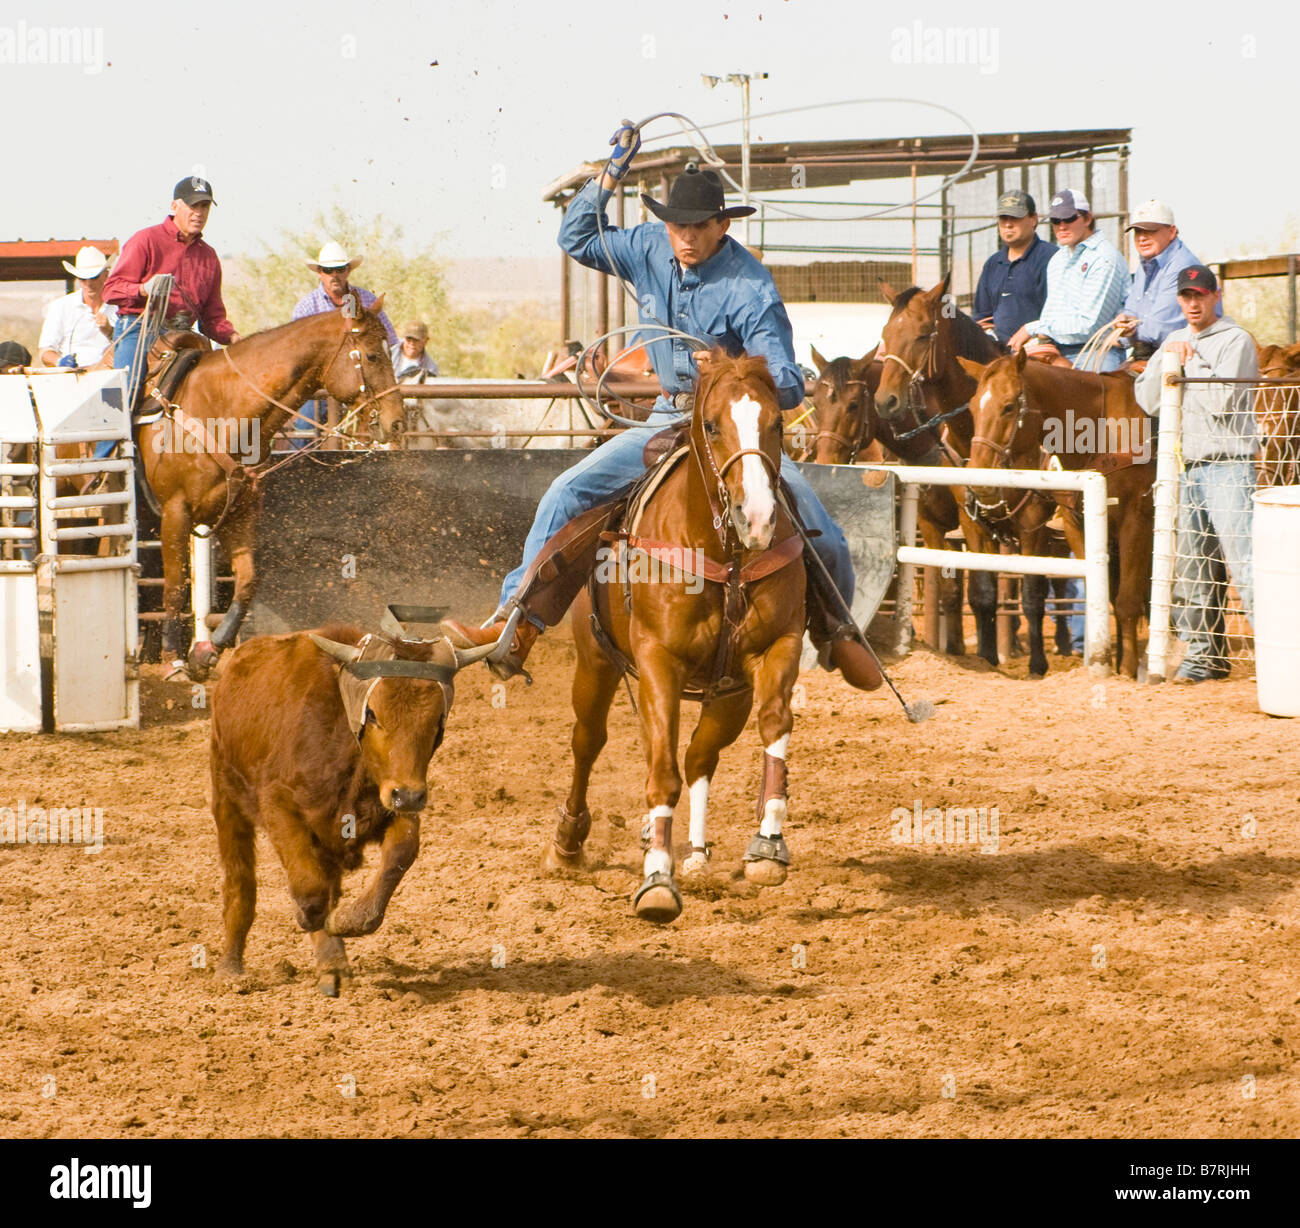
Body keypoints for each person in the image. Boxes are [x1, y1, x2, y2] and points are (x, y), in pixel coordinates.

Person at [442, 126, 880, 691]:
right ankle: (512, 624)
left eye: (699, 226)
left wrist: (727, 374)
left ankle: (839, 633)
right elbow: (576, 239)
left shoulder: (751, 288)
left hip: (733, 430)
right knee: (566, 493)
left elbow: (790, 382)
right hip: (664, 418)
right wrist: (611, 174)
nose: (687, 237)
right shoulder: (648, 246)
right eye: (677, 225)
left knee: (822, 527)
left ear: (723, 225)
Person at [1135, 265, 1259, 683]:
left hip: (1230, 465)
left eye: (1200, 295)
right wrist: (1167, 361)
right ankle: (1203, 658)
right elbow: (1148, 400)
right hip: (1188, 465)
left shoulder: (1235, 339)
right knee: (1193, 567)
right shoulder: (1174, 341)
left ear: (1215, 295)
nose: (1192, 303)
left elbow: (1224, 399)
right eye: (1186, 296)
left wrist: (1189, 365)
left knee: (1246, 565)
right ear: (1178, 298)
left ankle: (1282, 650)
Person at [102, 175, 241, 457]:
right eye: (193, 206)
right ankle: (103, 464)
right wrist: (142, 289)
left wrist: (235, 338)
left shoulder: (209, 257)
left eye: (204, 207)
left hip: (185, 335)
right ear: (174, 205)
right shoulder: (146, 240)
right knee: (125, 392)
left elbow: (213, 317)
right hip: (139, 329)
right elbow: (111, 290)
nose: (199, 213)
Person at [288, 242, 398, 446]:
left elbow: (390, 341)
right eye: (328, 270)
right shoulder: (306, 306)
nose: (334, 275)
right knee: (305, 428)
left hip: (361, 385)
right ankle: (299, 467)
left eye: (339, 269)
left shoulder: (366, 299)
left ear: (348, 271)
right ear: (320, 273)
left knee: (386, 423)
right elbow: (296, 355)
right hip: (316, 388)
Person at [1009, 189, 1130, 372]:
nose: (1062, 226)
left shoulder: (1104, 258)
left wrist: (1033, 328)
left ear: (1087, 218)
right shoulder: (1058, 259)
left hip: (1096, 353)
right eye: (1055, 221)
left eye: (1069, 218)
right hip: (1059, 351)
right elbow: (1050, 314)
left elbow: (1088, 326)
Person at [1112, 199, 1208, 360]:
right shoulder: (1147, 263)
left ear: (1171, 232)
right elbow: (1132, 312)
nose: (1142, 238)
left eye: (1150, 231)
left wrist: (1124, 333)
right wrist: (1124, 321)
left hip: (1186, 357)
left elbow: (1158, 330)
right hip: (1153, 354)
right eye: (1138, 232)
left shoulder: (1182, 266)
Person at [973, 189, 1055, 346]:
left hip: (1039, 350)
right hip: (999, 353)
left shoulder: (1051, 258)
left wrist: (1036, 339)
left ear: (1033, 219)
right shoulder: (992, 264)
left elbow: (1056, 316)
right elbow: (982, 316)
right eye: (1003, 218)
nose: (1008, 224)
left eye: (1015, 217)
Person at [38, 246, 117, 368]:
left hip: (110, 377)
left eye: (93, 277)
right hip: (72, 379)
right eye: (83, 279)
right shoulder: (60, 307)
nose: (88, 284)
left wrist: (110, 332)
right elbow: (45, 351)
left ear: (106, 275)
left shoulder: (119, 307)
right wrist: (60, 362)